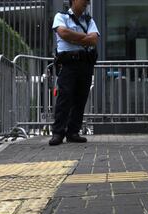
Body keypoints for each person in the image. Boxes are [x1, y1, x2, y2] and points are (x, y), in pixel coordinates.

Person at [49, 0, 99, 146]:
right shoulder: (61, 16)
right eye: (84, 0)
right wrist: (84, 39)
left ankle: (73, 132)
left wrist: (73, 37)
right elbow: (63, 33)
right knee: (64, 97)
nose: (87, 2)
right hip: (68, 64)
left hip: (85, 64)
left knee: (80, 98)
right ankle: (58, 133)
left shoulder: (89, 20)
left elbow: (94, 39)